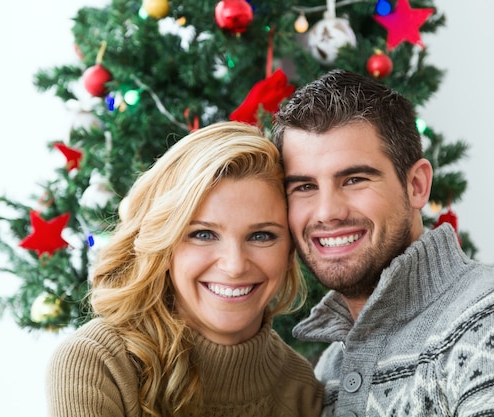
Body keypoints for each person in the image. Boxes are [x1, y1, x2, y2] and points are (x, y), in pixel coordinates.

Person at [272, 69, 494, 417]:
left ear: (417, 186)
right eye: (304, 187)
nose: (327, 212)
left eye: (354, 179)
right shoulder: (328, 372)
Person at [46, 121, 324, 417]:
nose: (234, 266)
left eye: (261, 236)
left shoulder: (302, 389)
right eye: (203, 234)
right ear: (165, 245)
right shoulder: (99, 361)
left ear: (291, 248)